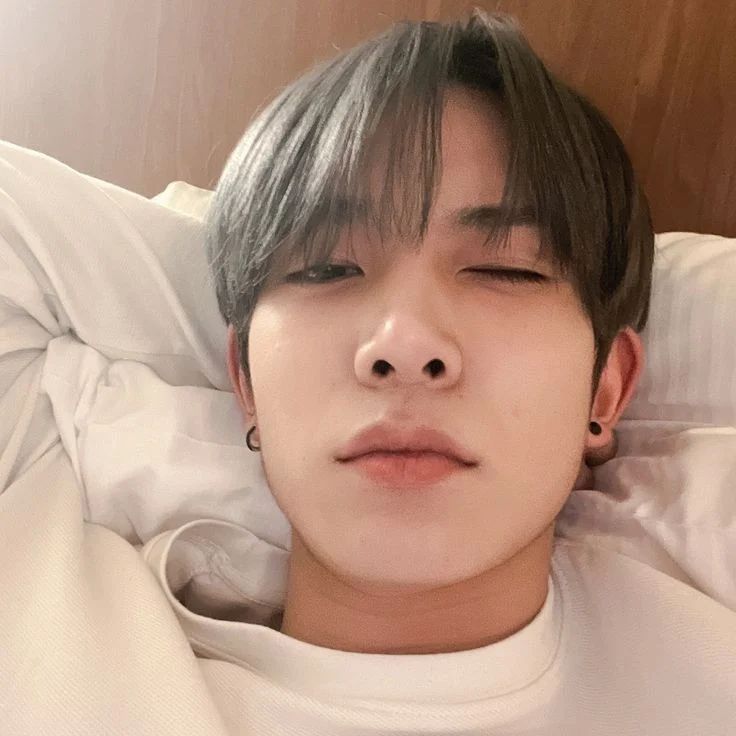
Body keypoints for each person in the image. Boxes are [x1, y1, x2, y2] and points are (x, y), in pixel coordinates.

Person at [1, 9, 735, 736]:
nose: (404, 343)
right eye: (326, 267)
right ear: (245, 382)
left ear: (606, 389)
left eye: (504, 269)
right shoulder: (51, 613)